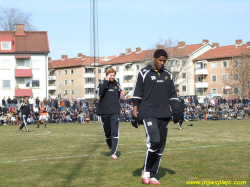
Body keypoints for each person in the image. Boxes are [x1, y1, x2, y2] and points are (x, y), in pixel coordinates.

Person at [131, 49, 181, 185]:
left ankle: (153, 174)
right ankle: (146, 171)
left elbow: (172, 95)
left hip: (164, 113)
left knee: (160, 146)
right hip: (148, 113)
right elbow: (137, 94)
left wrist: (177, 111)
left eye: (164, 61)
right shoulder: (143, 73)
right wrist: (134, 111)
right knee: (154, 140)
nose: (162, 63)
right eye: (160, 60)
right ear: (154, 58)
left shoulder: (168, 74)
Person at [96, 67, 121, 160]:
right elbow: (99, 92)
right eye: (111, 75)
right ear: (107, 75)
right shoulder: (102, 83)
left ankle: (113, 152)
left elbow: (118, 96)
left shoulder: (117, 84)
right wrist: (106, 81)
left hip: (115, 111)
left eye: (114, 75)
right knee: (107, 133)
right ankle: (111, 148)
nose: (113, 77)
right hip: (104, 111)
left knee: (115, 132)